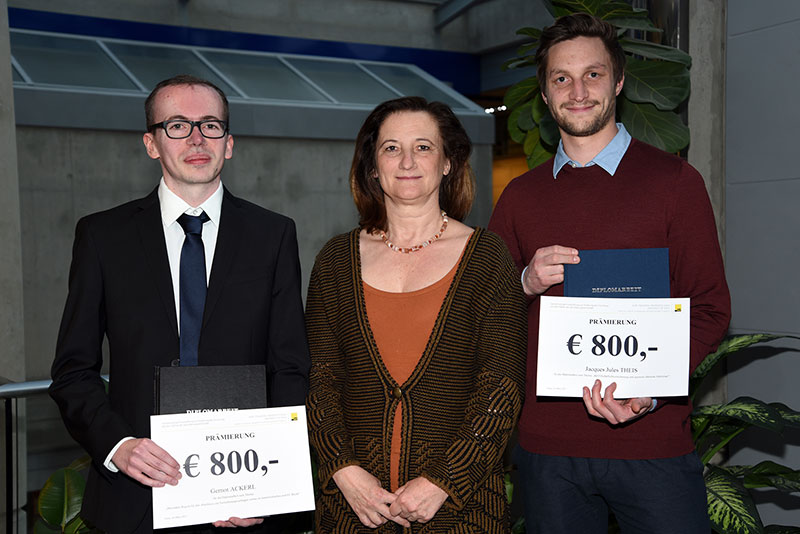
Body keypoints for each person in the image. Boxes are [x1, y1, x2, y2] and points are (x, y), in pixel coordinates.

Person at [488, 13, 731, 534]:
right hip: (549, 452)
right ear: (545, 94)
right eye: (562, 78)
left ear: (618, 81)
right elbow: (483, 314)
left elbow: (710, 308)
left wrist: (651, 392)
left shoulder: (675, 183)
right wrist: (525, 282)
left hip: (653, 445)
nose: (578, 91)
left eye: (593, 74)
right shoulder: (519, 198)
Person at [49, 74, 310, 534]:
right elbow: (73, 371)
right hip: (136, 499)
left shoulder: (273, 235)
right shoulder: (103, 237)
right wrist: (118, 446)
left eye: (210, 125)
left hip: (244, 498)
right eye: (176, 125)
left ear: (229, 143)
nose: (196, 138)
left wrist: (268, 484)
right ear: (151, 144)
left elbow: (290, 366)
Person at [306, 96, 526, 532]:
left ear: (447, 162)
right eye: (391, 148)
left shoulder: (488, 258)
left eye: (423, 147)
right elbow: (321, 380)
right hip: (353, 510)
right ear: (372, 166)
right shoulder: (334, 261)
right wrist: (342, 470)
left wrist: (444, 480)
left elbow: (501, 386)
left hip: (460, 512)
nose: (407, 161)